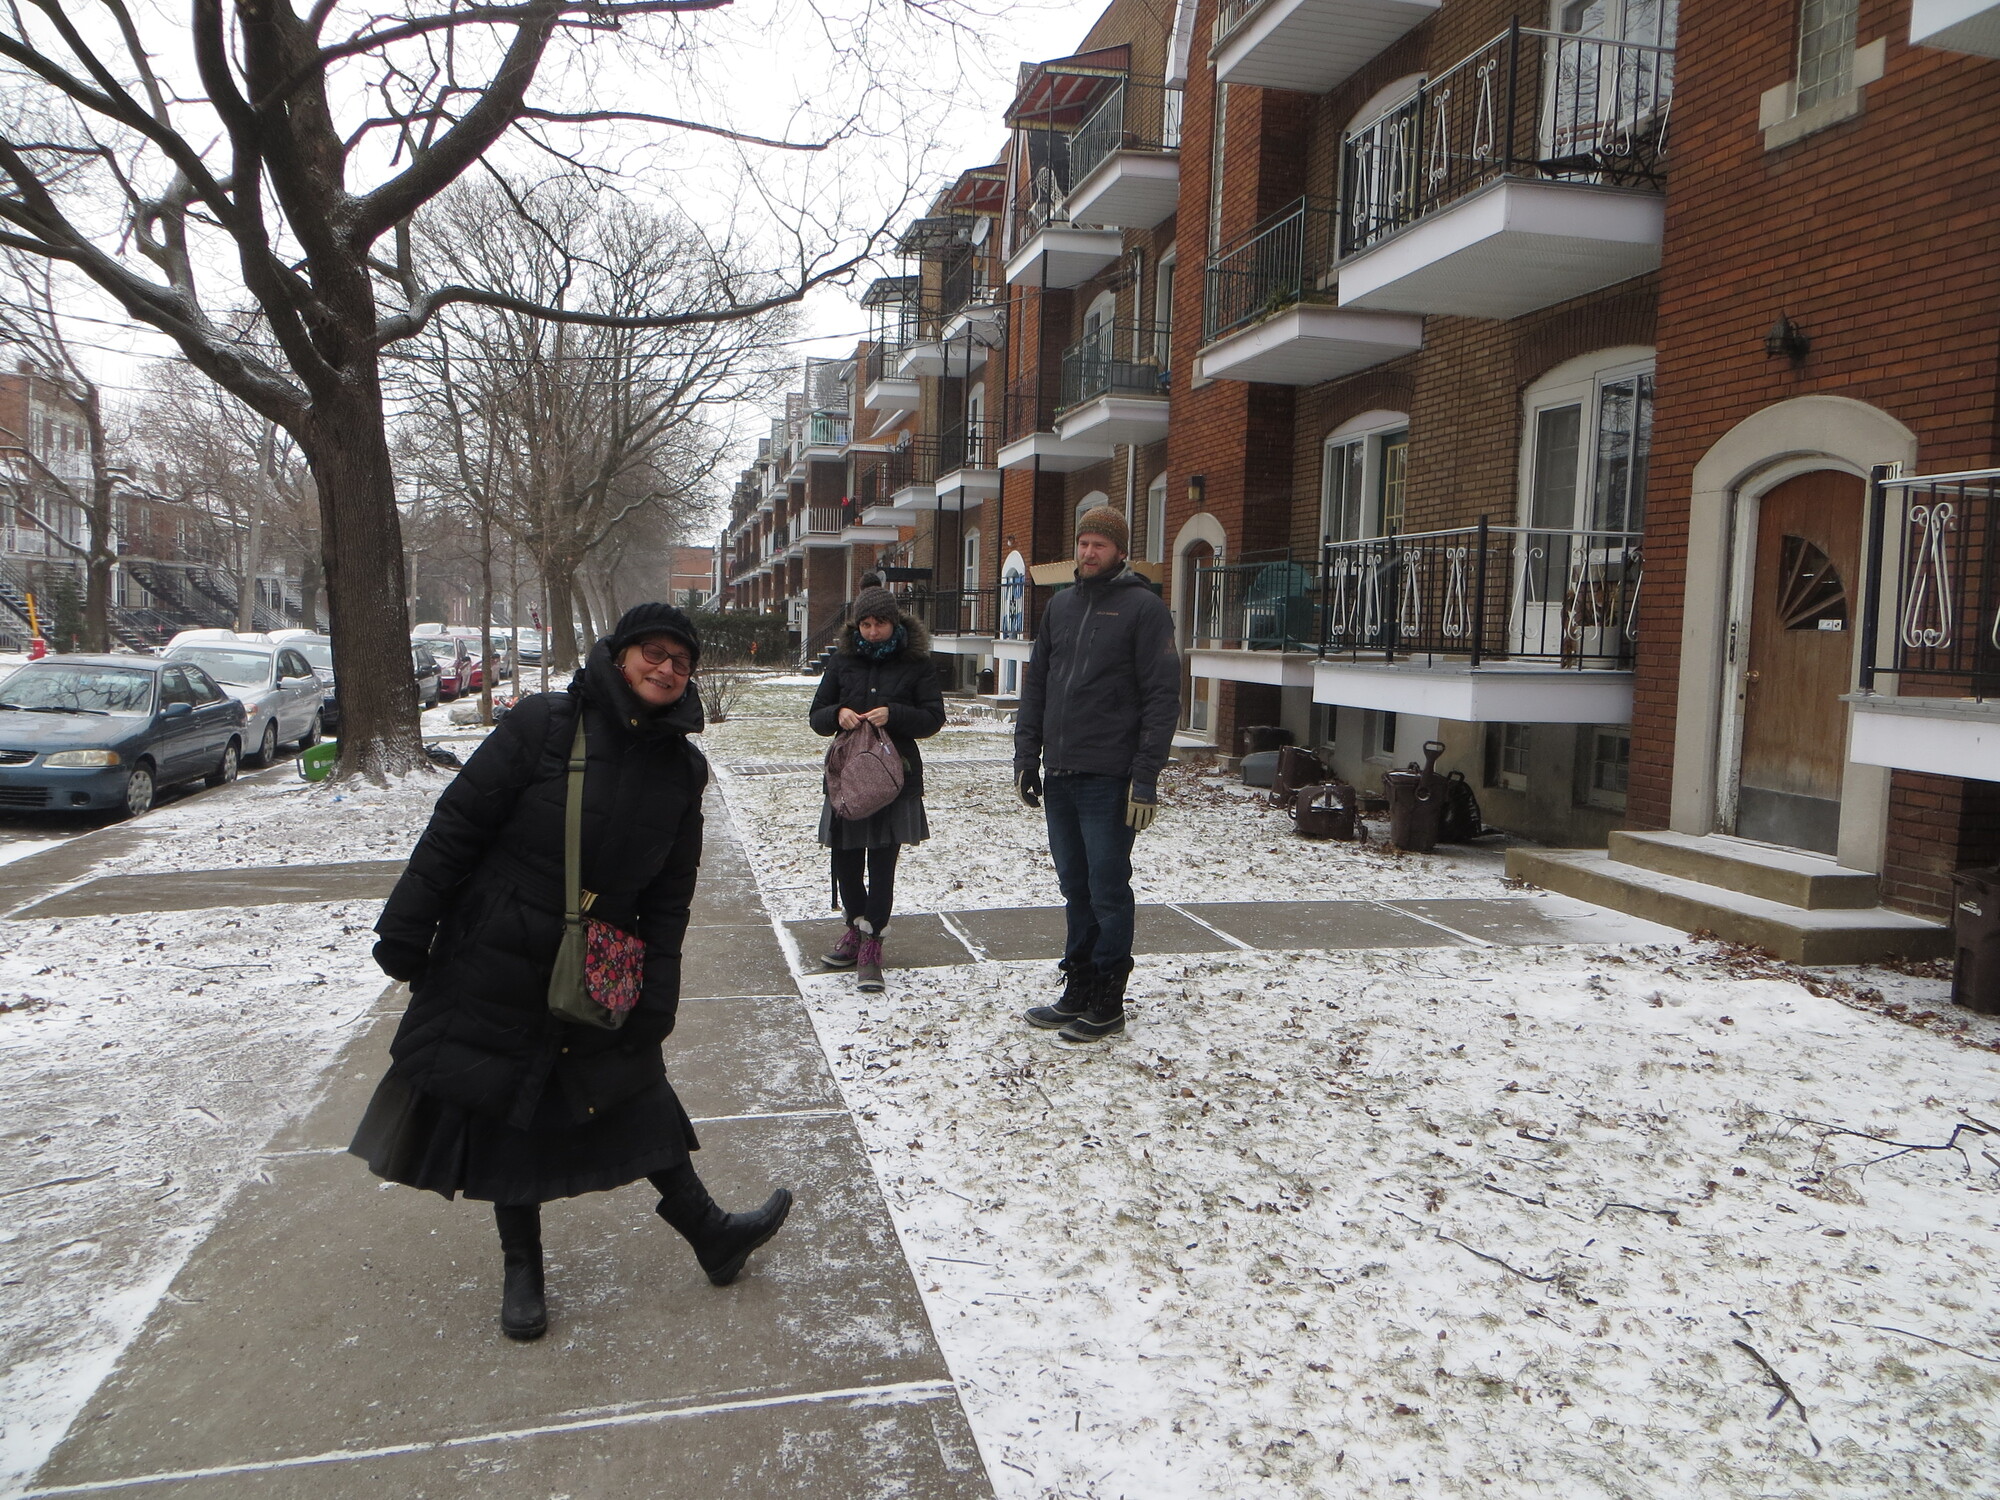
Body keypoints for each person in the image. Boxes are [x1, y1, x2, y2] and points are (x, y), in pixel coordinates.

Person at [353, 603, 792, 1342]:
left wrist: (657, 991)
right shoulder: (545, 725)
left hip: (600, 960)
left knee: (632, 1086)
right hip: (498, 947)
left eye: (681, 661)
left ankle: (711, 1233)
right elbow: (458, 824)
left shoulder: (682, 769)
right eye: (653, 653)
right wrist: (406, 926)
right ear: (620, 655)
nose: (666, 669)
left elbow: (669, 897)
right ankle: (521, 1268)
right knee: (506, 1102)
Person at [1013, 506, 1180, 1043]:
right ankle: (1079, 986)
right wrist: (1026, 756)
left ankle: (1109, 996)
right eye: (1083, 543)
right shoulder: (1061, 606)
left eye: (1099, 545)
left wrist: (1145, 778)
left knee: (1107, 887)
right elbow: (1037, 686)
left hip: (1110, 777)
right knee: (1075, 886)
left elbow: (1161, 698)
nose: (1088, 553)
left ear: (1120, 551)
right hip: (1060, 774)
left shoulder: (1144, 609)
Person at [809, 586, 946, 992]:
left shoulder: (916, 661)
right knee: (846, 861)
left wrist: (895, 714)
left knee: (883, 864)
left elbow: (933, 718)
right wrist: (839, 713)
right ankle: (855, 928)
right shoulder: (842, 660)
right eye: (865, 624)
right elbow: (816, 715)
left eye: (880, 624)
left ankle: (873, 942)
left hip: (894, 779)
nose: (872, 632)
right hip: (848, 777)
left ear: (894, 622)